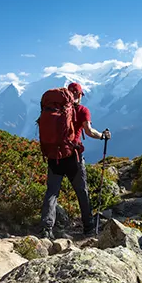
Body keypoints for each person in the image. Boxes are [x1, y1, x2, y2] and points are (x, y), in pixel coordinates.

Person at [40, 82, 111, 239]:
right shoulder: (82, 110)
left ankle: (46, 229)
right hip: (73, 157)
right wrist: (103, 136)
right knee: (81, 192)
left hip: (54, 156)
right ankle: (89, 227)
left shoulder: (54, 108)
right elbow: (89, 131)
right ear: (79, 95)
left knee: (52, 193)